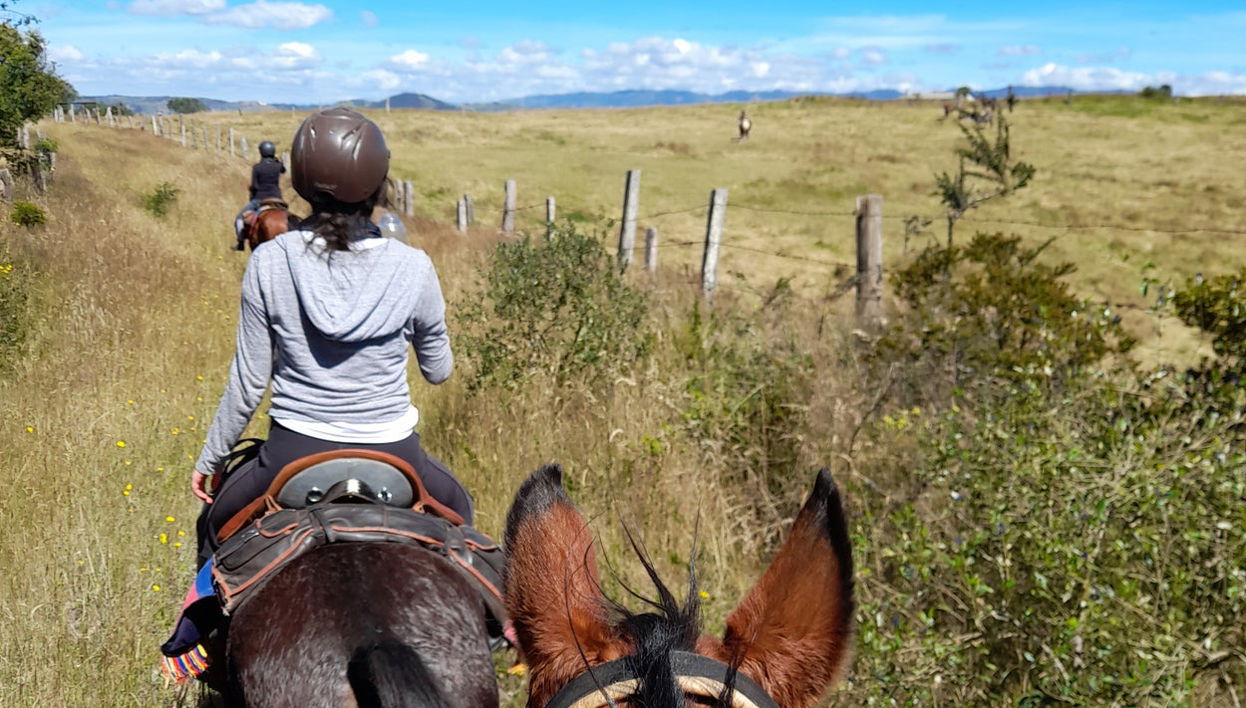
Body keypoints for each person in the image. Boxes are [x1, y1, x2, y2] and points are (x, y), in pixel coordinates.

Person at [194, 107, 472, 566]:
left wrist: (210, 461)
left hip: (292, 449)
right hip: (393, 450)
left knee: (213, 527)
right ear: (379, 182)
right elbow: (438, 371)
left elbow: (247, 386)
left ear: (301, 181)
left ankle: (197, 634)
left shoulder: (270, 261)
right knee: (461, 512)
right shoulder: (414, 266)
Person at [233, 140, 285, 251]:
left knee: (239, 218)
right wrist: (276, 161)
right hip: (277, 198)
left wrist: (251, 188)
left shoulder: (257, 167)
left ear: (261, 152)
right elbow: (283, 170)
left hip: (260, 198)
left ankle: (240, 243)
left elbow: (255, 186)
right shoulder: (278, 166)